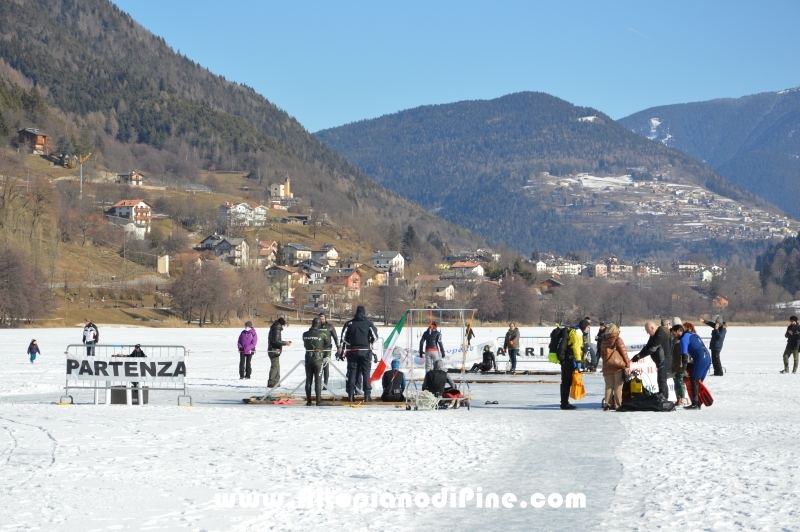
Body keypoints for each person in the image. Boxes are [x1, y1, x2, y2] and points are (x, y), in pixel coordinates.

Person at [340, 305, 378, 402]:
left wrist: (351, 344)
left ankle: (351, 394)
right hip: (366, 351)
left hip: (352, 351)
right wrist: (370, 343)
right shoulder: (369, 323)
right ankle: (367, 395)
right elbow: (375, 337)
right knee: (366, 373)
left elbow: (343, 338)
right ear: (364, 312)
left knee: (352, 372)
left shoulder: (349, 323)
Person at [671, 324, 712, 410]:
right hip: (707, 358)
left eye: (674, 334)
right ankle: (697, 401)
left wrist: (684, 370)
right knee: (698, 381)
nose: (673, 336)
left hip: (700, 359)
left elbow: (684, 357)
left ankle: (695, 404)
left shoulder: (683, 339)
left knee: (694, 380)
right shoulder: (692, 334)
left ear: (679, 331)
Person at [631, 321, 671, 400]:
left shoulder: (660, 334)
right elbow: (647, 347)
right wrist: (638, 355)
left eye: (648, 331)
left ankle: (663, 397)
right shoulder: (653, 335)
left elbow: (652, 349)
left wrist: (640, 356)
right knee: (661, 379)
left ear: (652, 328)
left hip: (664, 360)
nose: (647, 333)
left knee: (661, 379)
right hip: (659, 361)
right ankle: (664, 396)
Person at [599, 324, 630, 410]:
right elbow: (624, 353)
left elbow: (602, 354)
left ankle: (607, 404)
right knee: (618, 386)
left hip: (607, 366)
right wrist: (627, 364)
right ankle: (618, 405)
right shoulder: (618, 339)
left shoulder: (604, 340)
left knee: (609, 386)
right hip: (618, 366)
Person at [560, 320, 588, 410]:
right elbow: (576, 347)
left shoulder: (577, 332)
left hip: (568, 359)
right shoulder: (577, 333)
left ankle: (564, 402)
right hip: (570, 360)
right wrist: (579, 360)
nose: (589, 329)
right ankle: (564, 403)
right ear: (584, 326)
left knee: (566, 381)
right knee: (566, 382)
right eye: (588, 327)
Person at [302, 318, 327, 406]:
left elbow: (305, 345)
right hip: (318, 359)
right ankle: (318, 401)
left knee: (308, 380)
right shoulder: (322, 334)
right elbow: (327, 345)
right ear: (319, 325)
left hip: (308, 359)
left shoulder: (305, 334)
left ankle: (309, 401)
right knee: (318, 380)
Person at [267, 318, 291, 388]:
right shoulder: (277, 329)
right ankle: (271, 382)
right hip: (273, 350)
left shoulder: (274, 328)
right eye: (284, 326)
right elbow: (276, 341)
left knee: (277, 366)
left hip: (274, 349)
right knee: (275, 366)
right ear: (282, 325)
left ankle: (276, 382)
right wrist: (285, 343)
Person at [670, 317, 688, 406]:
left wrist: (684, 364)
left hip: (681, 362)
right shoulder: (674, 337)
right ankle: (678, 398)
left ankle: (682, 398)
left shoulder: (683, 337)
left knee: (680, 380)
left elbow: (685, 352)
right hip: (675, 362)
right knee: (675, 380)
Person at [318, 313, 339, 387]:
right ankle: (318, 383)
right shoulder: (316, 327)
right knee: (318, 366)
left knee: (326, 367)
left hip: (327, 349)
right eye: (320, 319)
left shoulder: (330, 327)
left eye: (323, 319)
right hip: (318, 349)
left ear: (325, 319)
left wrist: (338, 347)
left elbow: (335, 338)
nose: (322, 321)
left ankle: (325, 384)